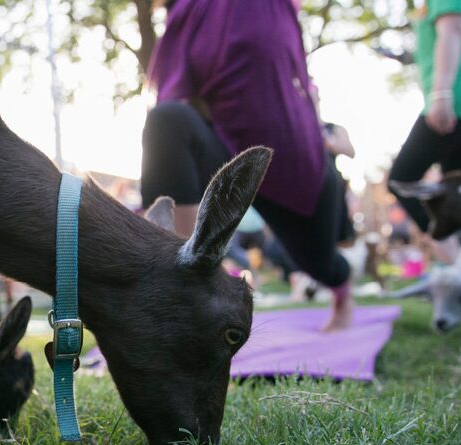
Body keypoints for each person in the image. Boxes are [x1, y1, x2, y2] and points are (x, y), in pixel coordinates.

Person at [141, 0, 353, 330]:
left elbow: (301, 79)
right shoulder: (188, 10)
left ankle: (344, 293)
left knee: (319, 264)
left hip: (293, 158)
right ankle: (186, 285)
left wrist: (323, 127)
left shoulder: (273, 8)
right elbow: (177, 93)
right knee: (166, 120)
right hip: (225, 144)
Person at [389, 0, 461, 231]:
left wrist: (441, 94)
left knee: (402, 179)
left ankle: (445, 243)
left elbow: (453, 29)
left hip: (458, 96)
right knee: (459, 193)